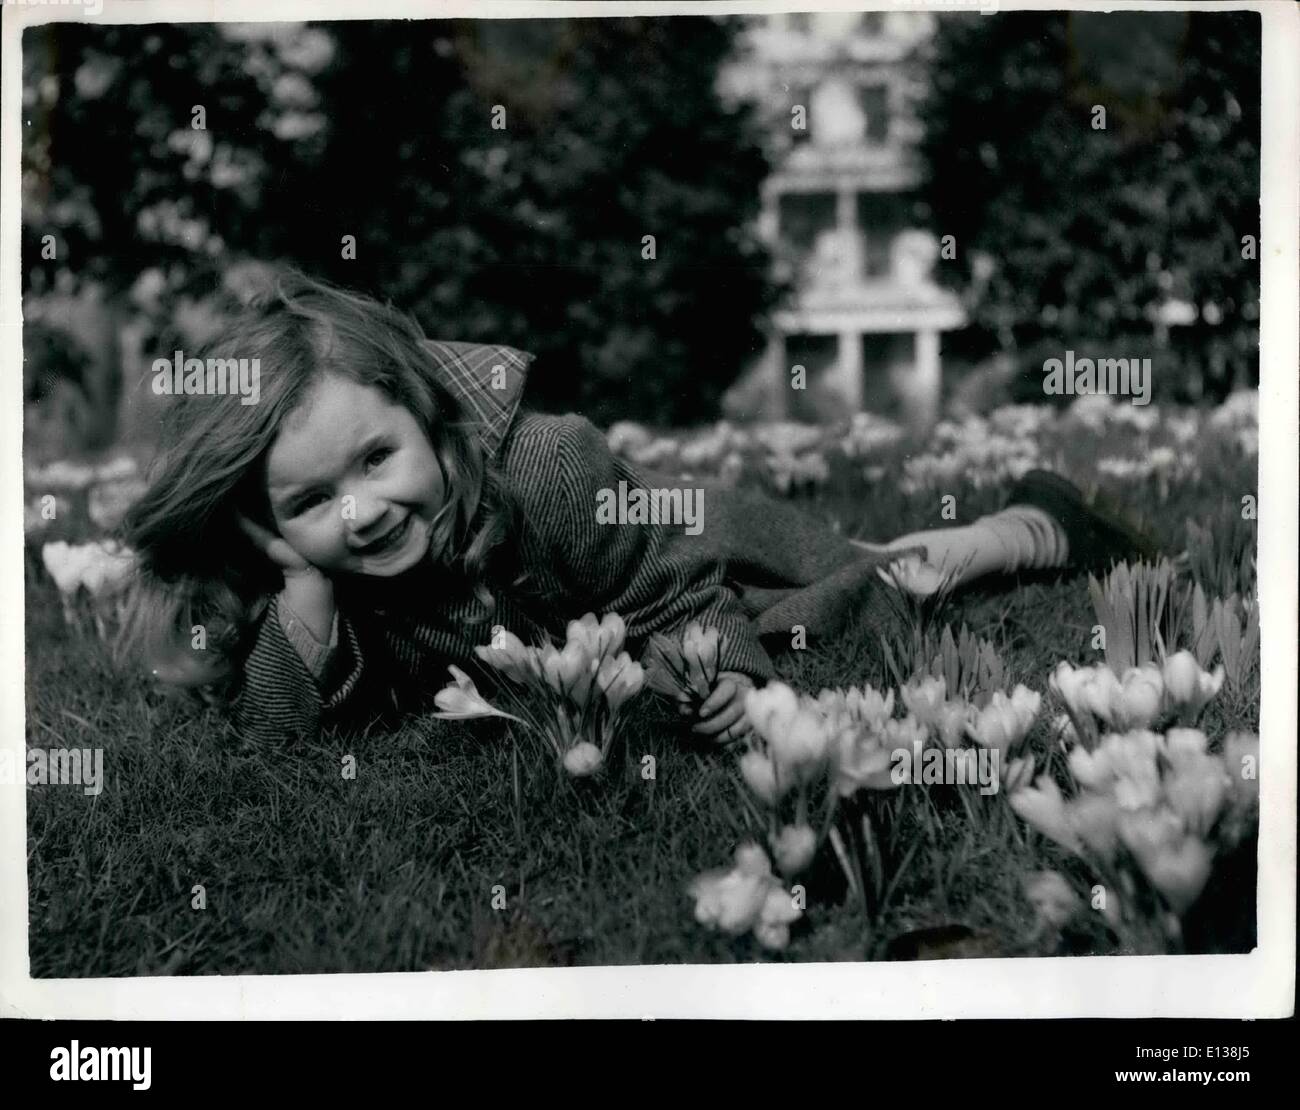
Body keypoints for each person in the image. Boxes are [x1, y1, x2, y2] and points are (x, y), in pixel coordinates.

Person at [124, 272, 1152, 746]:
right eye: (308, 502)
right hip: (616, 596)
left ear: (429, 417)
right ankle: (1005, 529)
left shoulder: (553, 470)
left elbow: (673, 595)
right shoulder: (313, 579)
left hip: (691, 545)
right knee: (881, 565)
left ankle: (1033, 524)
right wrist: (300, 588)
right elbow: (282, 733)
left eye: (376, 460)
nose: (359, 514)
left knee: (872, 584)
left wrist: (723, 681)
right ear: (261, 523)